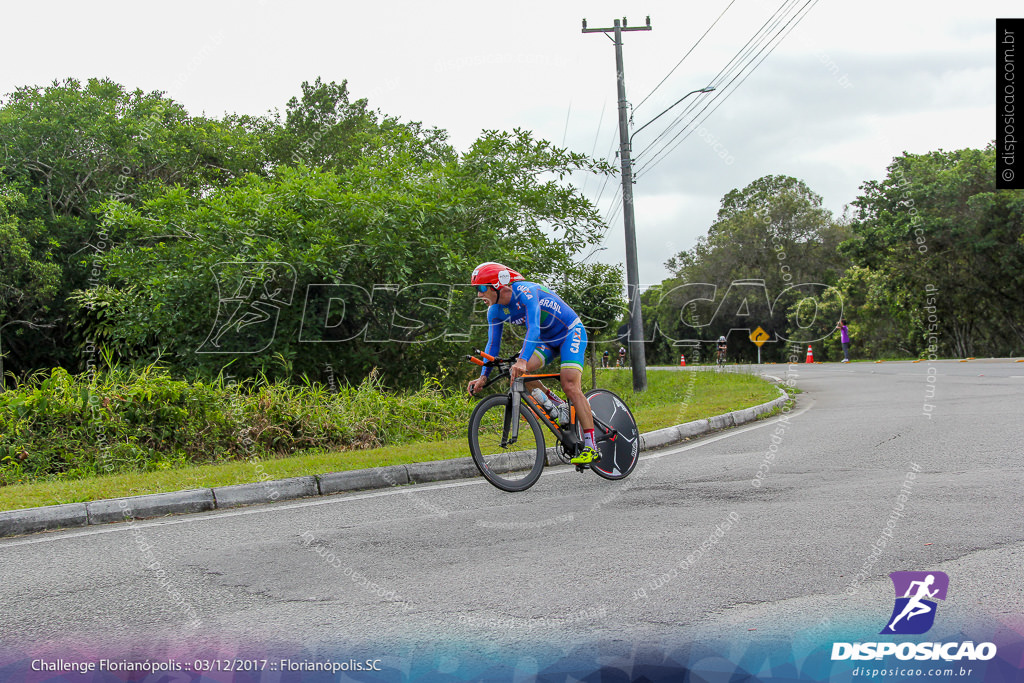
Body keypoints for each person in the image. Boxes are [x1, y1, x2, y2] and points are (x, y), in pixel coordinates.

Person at [465, 262, 599, 466]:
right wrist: (484, 375)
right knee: (518, 374)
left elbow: (534, 329)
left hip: (570, 332)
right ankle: (558, 406)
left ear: (497, 285)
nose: (479, 294)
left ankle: (591, 446)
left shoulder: (525, 292)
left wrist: (522, 360)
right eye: (477, 289)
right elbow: (492, 344)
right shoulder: (494, 311)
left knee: (570, 385)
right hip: (547, 341)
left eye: (482, 288)